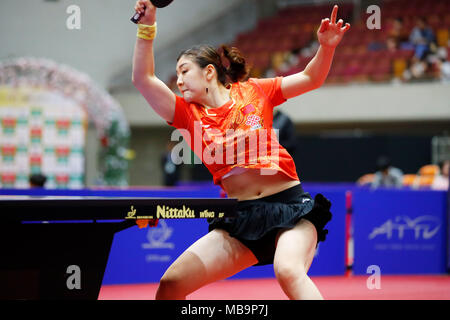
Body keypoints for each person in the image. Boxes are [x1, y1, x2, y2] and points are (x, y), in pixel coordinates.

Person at [132, 1, 350, 300]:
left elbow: (311, 78)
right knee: (171, 285)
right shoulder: (184, 113)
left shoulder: (255, 90)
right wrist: (147, 27)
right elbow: (143, 80)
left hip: (290, 207)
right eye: (177, 75)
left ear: (209, 72)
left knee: (287, 270)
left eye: (185, 71)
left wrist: (326, 47)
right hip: (241, 217)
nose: (179, 80)